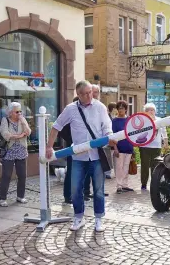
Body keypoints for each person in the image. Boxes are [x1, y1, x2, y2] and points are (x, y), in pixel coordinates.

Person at [46, 81, 116, 232]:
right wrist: (49, 146)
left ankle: (98, 219)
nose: (89, 96)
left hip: (96, 155)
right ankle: (78, 217)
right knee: (75, 189)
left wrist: (109, 137)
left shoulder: (100, 107)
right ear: (78, 95)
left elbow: (107, 126)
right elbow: (56, 126)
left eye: (90, 92)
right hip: (78, 157)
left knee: (98, 189)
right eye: (84, 93)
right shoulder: (71, 109)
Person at [0, 102, 31, 207]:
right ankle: (3, 198)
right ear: (11, 112)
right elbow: (6, 134)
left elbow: (29, 132)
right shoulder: (5, 120)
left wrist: (23, 122)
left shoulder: (22, 120)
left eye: (21, 111)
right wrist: (20, 135)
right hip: (9, 150)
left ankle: (20, 196)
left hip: (21, 150)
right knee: (6, 175)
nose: (19, 113)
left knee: (22, 175)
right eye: (17, 112)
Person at [139, 103, 168, 190]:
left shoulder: (159, 120)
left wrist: (166, 142)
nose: (151, 111)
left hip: (156, 146)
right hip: (144, 146)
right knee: (144, 166)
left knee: (155, 166)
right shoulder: (143, 120)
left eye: (152, 110)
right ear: (145, 112)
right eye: (148, 110)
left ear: (155, 111)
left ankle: (154, 183)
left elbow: (164, 131)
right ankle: (143, 184)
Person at [112, 100, 134, 193]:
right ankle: (119, 186)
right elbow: (112, 135)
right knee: (119, 167)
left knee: (126, 167)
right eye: (119, 108)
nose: (121, 110)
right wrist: (115, 148)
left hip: (128, 146)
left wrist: (133, 149)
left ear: (126, 109)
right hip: (119, 147)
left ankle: (125, 184)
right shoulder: (115, 121)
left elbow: (133, 134)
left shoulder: (130, 120)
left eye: (123, 108)